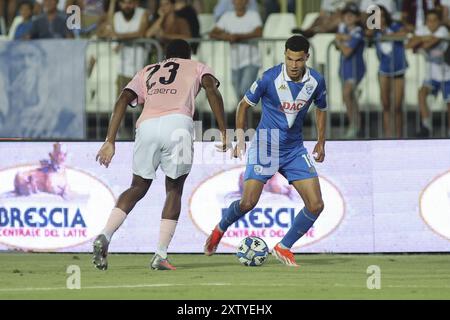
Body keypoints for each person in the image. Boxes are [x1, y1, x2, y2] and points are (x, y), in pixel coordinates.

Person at [92, 39, 229, 271]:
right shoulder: (197, 66)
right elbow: (211, 90)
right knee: (174, 188)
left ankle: (105, 234)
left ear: (164, 56)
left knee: (137, 186)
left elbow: (123, 99)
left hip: (146, 125)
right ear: (188, 54)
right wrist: (225, 131)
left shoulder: (147, 70)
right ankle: (160, 254)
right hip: (178, 124)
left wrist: (110, 141)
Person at [204, 35, 328, 267]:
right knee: (248, 203)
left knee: (316, 205)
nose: (293, 65)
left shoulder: (316, 81)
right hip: (266, 145)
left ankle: (283, 246)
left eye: (299, 60)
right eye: (289, 59)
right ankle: (220, 229)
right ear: (285, 56)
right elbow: (244, 105)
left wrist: (321, 141)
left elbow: (321, 109)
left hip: (294, 149)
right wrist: (240, 137)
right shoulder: (269, 77)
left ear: (307, 58)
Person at [407, 9, 450, 138]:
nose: (431, 23)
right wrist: (423, 38)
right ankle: (426, 125)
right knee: (421, 94)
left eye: (434, 20)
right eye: (429, 20)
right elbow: (409, 45)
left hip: (447, 75)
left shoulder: (443, 31)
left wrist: (421, 41)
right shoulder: (423, 30)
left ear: (439, 22)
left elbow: (425, 46)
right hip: (431, 75)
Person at [209, 0, 262, 101]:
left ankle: (244, 116)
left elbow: (259, 32)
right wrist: (226, 36)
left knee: (244, 92)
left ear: (247, 2)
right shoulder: (227, 16)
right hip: (235, 63)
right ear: (232, 2)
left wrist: (237, 37)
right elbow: (213, 33)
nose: (239, 2)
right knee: (239, 94)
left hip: (251, 60)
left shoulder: (253, 15)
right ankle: (244, 116)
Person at [374, 5, 408, 138]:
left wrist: (388, 36)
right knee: (386, 104)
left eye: (382, 15)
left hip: (398, 69)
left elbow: (404, 33)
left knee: (397, 106)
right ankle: (388, 136)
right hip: (384, 70)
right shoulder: (375, 32)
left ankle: (399, 136)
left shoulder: (394, 27)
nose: (380, 18)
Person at [335, 2, 366, 139]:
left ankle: (353, 125)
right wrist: (341, 39)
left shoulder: (358, 31)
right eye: (346, 14)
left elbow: (347, 51)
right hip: (344, 69)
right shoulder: (344, 30)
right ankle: (357, 125)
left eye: (352, 14)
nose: (348, 17)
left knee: (347, 94)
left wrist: (339, 41)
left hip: (355, 69)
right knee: (348, 97)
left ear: (357, 17)